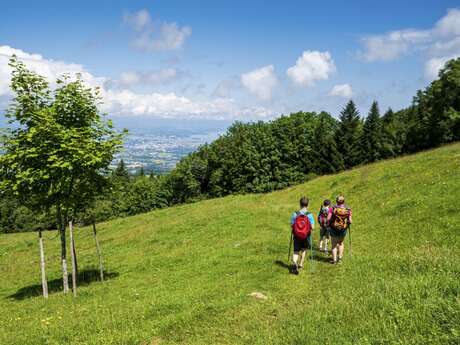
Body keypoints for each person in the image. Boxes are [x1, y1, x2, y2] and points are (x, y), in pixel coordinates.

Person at [290, 196, 315, 274]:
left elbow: (292, 225)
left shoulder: (295, 214)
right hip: (306, 236)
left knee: (296, 251)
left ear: (300, 204)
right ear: (307, 205)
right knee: (304, 249)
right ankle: (301, 264)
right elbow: (313, 227)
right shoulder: (309, 215)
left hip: (296, 235)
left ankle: (294, 263)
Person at [327, 195, 352, 264]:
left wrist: (328, 223)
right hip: (343, 229)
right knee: (341, 243)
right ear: (344, 201)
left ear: (336, 201)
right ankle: (340, 259)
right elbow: (350, 220)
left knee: (334, 245)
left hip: (333, 228)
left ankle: (334, 260)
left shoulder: (332, 208)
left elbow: (328, 218)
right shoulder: (348, 209)